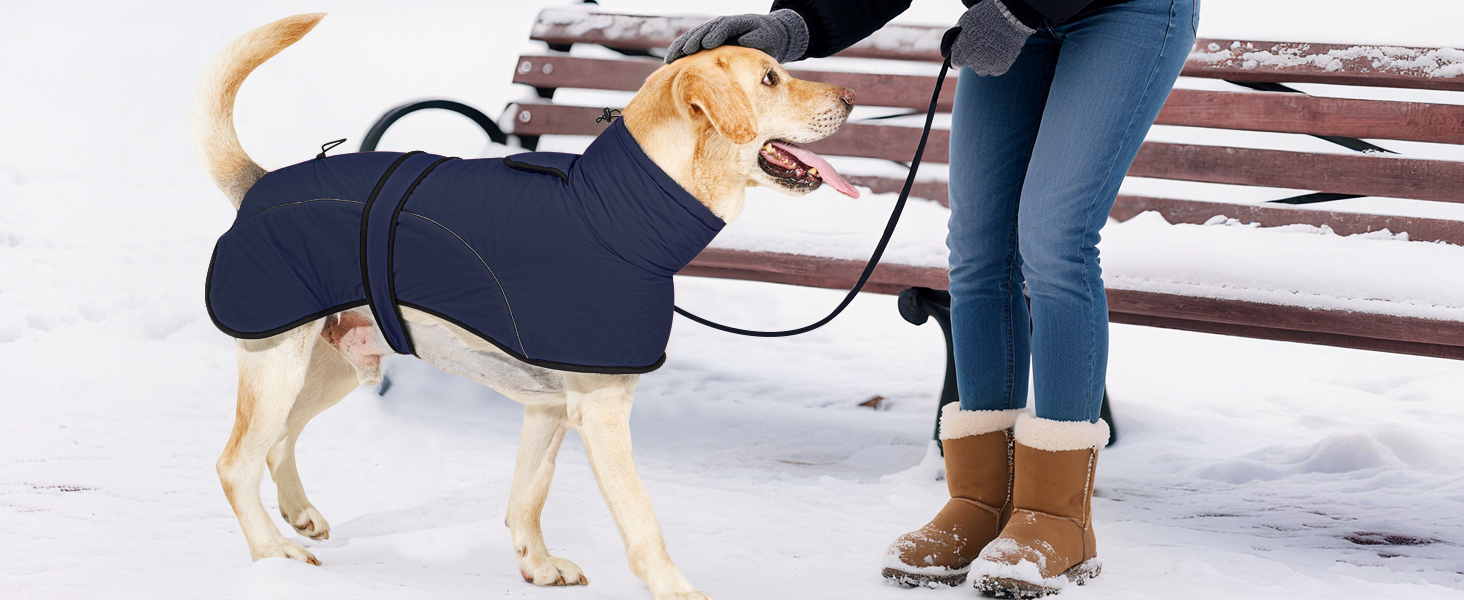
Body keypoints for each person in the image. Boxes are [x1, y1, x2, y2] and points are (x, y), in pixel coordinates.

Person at [666, 0, 1197, 595]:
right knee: (977, 247)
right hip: (1011, 15)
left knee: (1055, 238)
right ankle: (980, 502)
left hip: (1121, 12)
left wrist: (1025, 9)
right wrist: (797, 23)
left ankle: (1059, 517)